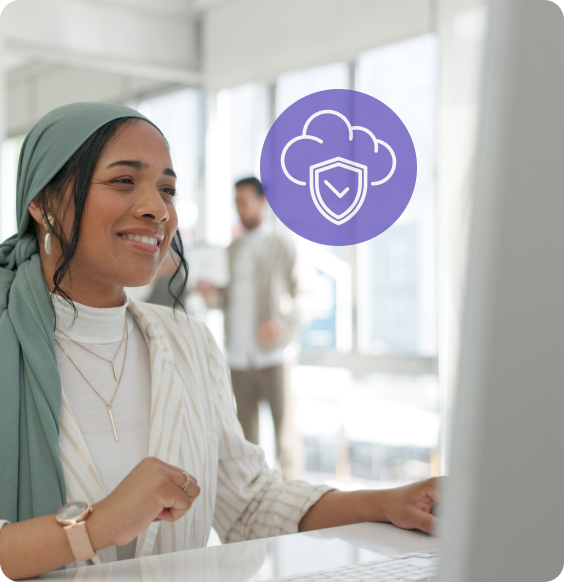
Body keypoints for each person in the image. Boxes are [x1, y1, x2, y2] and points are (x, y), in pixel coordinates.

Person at [0, 102, 439, 581]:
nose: (157, 209)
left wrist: (387, 502)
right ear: (42, 202)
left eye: (167, 189)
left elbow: (248, 503)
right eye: (124, 181)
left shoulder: (187, 340)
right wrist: (99, 524)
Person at [197, 177, 307, 479]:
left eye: (245, 202)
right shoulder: (231, 250)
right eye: (236, 203)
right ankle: (254, 499)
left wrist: (282, 322)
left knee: (285, 437)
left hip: (274, 356)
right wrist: (210, 295)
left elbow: (306, 298)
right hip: (238, 356)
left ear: (261, 202)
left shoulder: (282, 246)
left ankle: (295, 500)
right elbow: (223, 300)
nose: (240, 209)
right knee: (246, 437)